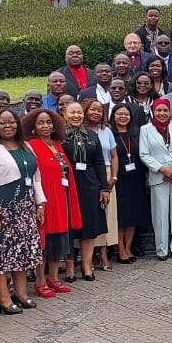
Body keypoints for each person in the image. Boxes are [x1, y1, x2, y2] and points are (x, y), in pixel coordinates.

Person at [0, 109, 45, 315]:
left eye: (12, 122)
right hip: (2, 208)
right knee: (0, 254)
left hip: (24, 208)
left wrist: (40, 204)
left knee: (21, 252)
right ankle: (3, 298)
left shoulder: (26, 145)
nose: (8, 126)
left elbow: (36, 177)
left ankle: (21, 294)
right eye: (3, 122)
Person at [22, 109, 79, 297]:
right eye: (41, 123)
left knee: (58, 241)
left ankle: (53, 278)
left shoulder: (57, 145)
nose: (45, 126)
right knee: (43, 242)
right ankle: (40, 282)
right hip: (45, 200)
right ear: (33, 127)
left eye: (48, 122)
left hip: (61, 199)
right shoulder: (31, 146)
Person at [61, 101, 109, 279]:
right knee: (68, 227)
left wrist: (104, 188)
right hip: (67, 184)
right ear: (65, 115)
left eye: (79, 113)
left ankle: (87, 264)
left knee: (89, 225)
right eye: (72, 112)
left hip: (89, 184)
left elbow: (99, 162)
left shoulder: (92, 135)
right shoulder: (60, 136)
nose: (76, 116)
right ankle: (70, 265)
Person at [139, 98, 172, 260]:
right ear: (153, 112)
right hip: (159, 176)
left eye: (165, 110)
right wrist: (162, 169)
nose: (162, 113)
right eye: (158, 110)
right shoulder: (145, 129)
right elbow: (144, 154)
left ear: (170, 111)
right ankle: (162, 249)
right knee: (160, 213)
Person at [108, 103, 148, 262]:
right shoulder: (110, 134)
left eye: (126, 114)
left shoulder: (137, 133)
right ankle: (120, 250)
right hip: (119, 180)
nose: (123, 117)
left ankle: (128, 248)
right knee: (121, 217)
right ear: (113, 116)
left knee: (133, 216)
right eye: (119, 114)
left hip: (136, 179)